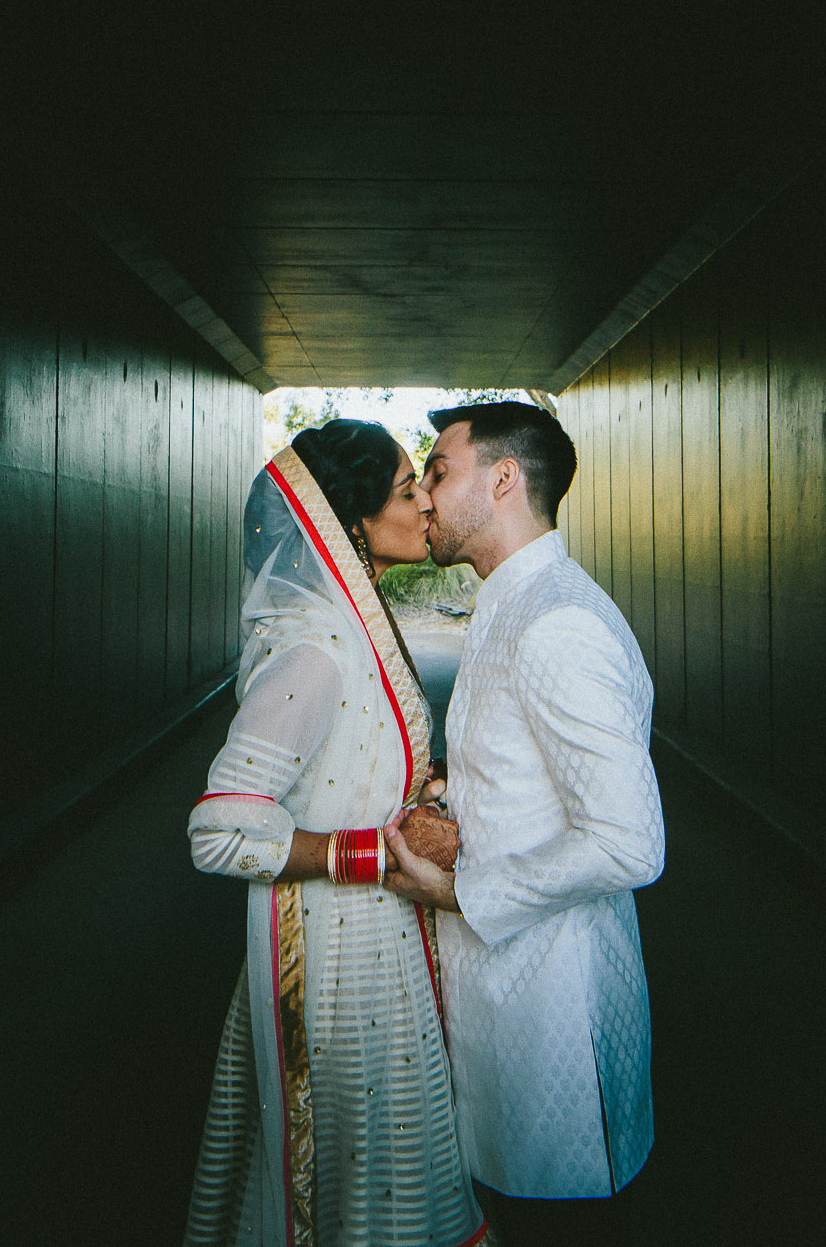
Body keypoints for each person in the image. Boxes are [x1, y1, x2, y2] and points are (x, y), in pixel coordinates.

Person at [183, 419, 489, 1247]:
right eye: (404, 490)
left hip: (381, 945)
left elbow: (354, 768)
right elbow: (220, 827)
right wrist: (370, 851)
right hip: (333, 958)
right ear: (350, 524)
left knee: (392, 1169)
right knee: (360, 1175)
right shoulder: (315, 652)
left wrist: (424, 801)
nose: (424, 499)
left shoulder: (357, 630)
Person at [382, 402, 664, 1247]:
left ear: (504, 478)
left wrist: (461, 888)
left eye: (438, 472)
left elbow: (628, 839)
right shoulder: (509, 602)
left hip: (558, 1032)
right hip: (503, 1014)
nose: (424, 497)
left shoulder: (558, 621)